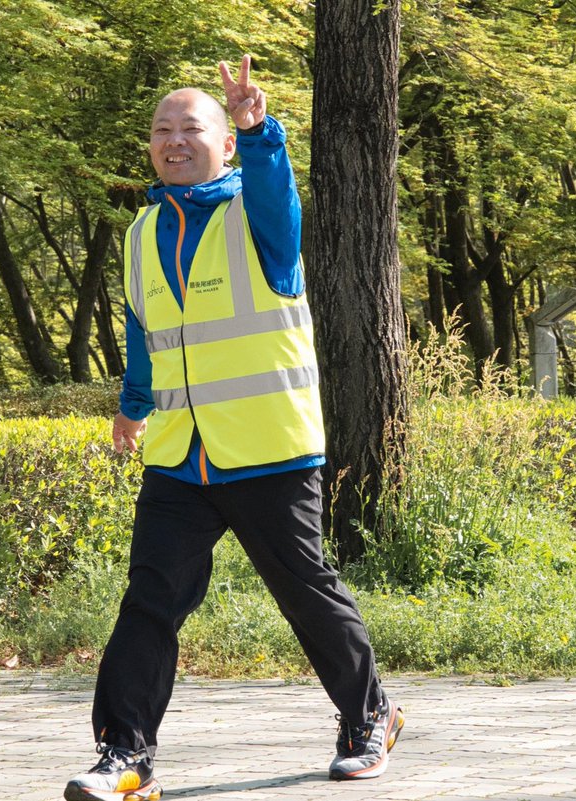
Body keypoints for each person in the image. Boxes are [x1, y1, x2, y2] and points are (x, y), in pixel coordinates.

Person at [63, 56, 403, 801]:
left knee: (305, 589)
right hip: (181, 456)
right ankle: (124, 755)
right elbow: (144, 330)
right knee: (149, 600)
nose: (173, 141)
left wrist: (260, 130)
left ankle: (369, 714)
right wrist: (131, 405)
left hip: (268, 447)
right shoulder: (141, 231)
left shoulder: (259, 214)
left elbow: (276, 184)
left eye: (192, 128)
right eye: (161, 130)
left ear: (221, 141)